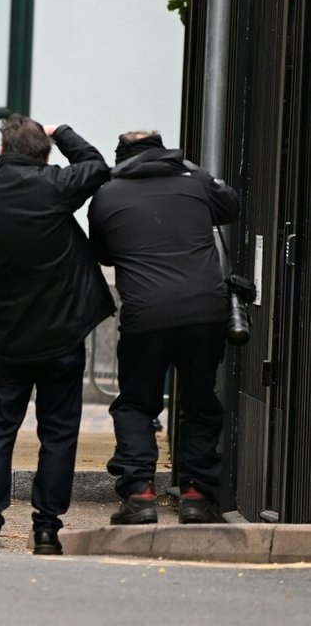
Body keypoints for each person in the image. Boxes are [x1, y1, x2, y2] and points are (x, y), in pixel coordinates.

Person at [0, 115, 115, 555]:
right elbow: (97, 164)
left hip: (6, 337)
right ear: (44, 155)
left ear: (2, 153)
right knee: (60, 432)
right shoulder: (56, 188)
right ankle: (46, 529)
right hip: (61, 337)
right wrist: (61, 132)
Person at [88, 130, 239, 525]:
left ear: (121, 157)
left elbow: (102, 251)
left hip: (145, 316)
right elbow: (231, 206)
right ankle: (195, 495)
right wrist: (192, 169)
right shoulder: (195, 182)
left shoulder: (107, 194)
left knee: (137, 403)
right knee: (200, 403)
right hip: (205, 313)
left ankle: (139, 494)